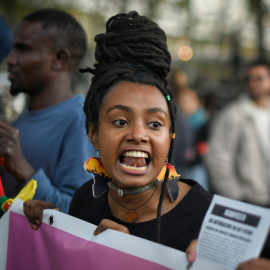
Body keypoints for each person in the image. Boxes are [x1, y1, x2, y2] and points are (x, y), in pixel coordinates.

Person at [23, 11, 269, 267]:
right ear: (93, 133)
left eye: (154, 124)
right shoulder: (84, 202)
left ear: (171, 135)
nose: (138, 135)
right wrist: (52, 233)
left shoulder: (211, 221)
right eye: (120, 121)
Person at [0, 9, 96, 213]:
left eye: (23, 49)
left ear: (59, 59)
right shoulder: (19, 121)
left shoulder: (80, 120)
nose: (11, 60)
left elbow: (79, 213)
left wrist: (22, 170)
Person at [205, 59, 270, 207]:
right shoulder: (233, 114)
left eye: (259, 78)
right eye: (249, 79)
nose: (252, 83)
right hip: (250, 202)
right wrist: (237, 197)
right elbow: (217, 158)